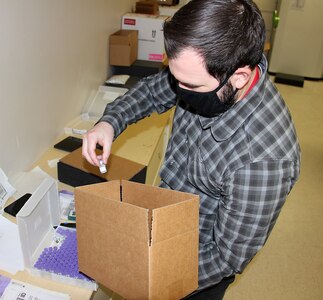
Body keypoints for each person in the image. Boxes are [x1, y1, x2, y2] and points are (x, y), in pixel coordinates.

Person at [82, 0, 301, 299]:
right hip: (164, 214)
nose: (178, 90)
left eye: (191, 86)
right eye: (176, 78)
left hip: (199, 263)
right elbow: (150, 92)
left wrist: (147, 271)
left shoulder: (263, 161)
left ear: (239, 77)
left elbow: (225, 257)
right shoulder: (204, 71)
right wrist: (109, 123)